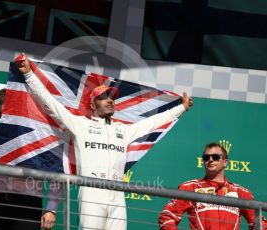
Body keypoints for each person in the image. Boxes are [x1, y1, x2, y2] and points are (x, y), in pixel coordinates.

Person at [16, 53, 193, 230]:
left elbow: (152, 122)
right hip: (91, 193)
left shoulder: (124, 130)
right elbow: (50, 103)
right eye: (103, 98)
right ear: (93, 105)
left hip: (117, 196)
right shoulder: (80, 124)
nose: (110, 100)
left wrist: (181, 107)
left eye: (111, 97)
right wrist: (29, 74)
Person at [0, 89, 61, 230]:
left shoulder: (40, 134)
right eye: (0, 117)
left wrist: (51, 208)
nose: (3, 121)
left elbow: (55, 172)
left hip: (27, 207)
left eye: (6, 115)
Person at [159, 142, 267, 229]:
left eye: (215, 157)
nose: (210, 159)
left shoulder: (241, 192)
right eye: (206, 157)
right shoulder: (190, 187)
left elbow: (260, 224)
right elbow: (167, 216)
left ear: (225, 162)